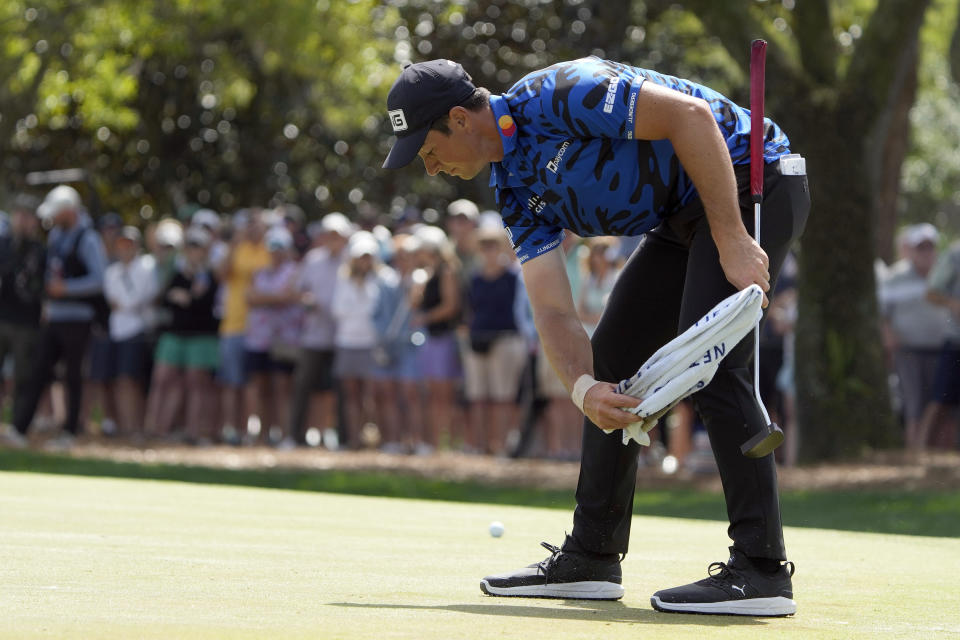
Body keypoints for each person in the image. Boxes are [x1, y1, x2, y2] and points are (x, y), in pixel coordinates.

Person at [383, 57, 810, 615]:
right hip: (682, 219)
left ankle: (761, 571)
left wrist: (731, 237)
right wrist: (585, 390)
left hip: (754, 179)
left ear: (460, 119)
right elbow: (555, 310)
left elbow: (693, 118)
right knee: (609, 363)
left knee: (711, 361)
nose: (432, 168)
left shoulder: (559, 94)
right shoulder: (512, 190)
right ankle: (592, 557)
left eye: (428, 151)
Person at [13, 185, 109, 450]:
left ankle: (70, 432)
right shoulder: (56, 235)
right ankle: (19, 428)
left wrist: (67, 289)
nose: (52, 218)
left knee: (73, 376)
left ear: (69, 211)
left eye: (57, 213)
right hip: (55, 316)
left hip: (78, 318)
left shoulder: (88, 238)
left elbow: (99, 280)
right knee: (38, 371)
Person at [144, 226, 220, 443]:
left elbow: (201, 302)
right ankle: (156, 429)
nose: (193, 251)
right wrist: (186, 296)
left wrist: (187, 298)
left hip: (200, 335)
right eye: (190, 246)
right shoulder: (176, 271)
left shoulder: (209, 275)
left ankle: (193, 432)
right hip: (174, 333)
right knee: (163, 379)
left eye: (197, 246)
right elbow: (167, 298)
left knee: (196, 382)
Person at [879, 224, 952, 450]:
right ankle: (914, 456)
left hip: (943, 351)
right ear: (912, 250)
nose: (926, 253)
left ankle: (937, 461)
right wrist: (889, 338)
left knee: (942, 407)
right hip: (908, 352)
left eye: (930, 247)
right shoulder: (896, 276)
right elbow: (883, 315)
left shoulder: (946, 274)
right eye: (921, 248)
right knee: (915, 407)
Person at [461, 215, 529, 455]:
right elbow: (469, 310)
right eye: (484, 246)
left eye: (493, 245)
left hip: (506, 340)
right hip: (478, 341)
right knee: (478, 396)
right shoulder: (475, 278)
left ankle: (502, 445)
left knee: (504, 397)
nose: (488, 251)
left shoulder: (513, 277)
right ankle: (480, 445)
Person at [288, 213, 352, 447]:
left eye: (337, 235)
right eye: (329, 234)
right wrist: (306, 299)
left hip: (343, 336)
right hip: (314, 335)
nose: (332, 239)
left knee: (343, 390)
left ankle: (344, 439)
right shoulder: (313, 260)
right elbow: (296, 290)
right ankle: (294, 437)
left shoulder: (351, 260)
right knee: (303, 386)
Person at [243, 225, 301, 447]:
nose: (276, 253)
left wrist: (266, 298)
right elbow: (250, 298)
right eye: (272, 248)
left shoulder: (294, 271)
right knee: (259, 388)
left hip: (284, 340)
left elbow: (286, 296)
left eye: (280, 248)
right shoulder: (259, 273)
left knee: (282, 389)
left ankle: (285, 436)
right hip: (257, 339)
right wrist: (275, 297)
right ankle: (260, 435)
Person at [216, 210, 269, 443]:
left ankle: (253, 432)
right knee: (231, 382)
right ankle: (230, 429)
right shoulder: (236, 249)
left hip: (262, 329)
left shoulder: (270, 250)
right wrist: (234, 242)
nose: (253, 229)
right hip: (233, 325)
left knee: (256, 383)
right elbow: (221, 274)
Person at [102, 226, 158, 437]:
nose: (125, 248)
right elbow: (113, 301)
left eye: (129, 244)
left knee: (134, 381)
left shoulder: (146, 269)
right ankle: (124, 426)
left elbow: (137, 301)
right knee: (117, 380)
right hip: (117, 331)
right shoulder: (111, 272)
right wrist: (126, 304)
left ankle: (136, 427)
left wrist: (125, 304)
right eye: (121, 244)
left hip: (137, 330)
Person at [0, 195, 45, 448]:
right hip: (2, 318)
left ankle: (17, 429)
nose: (22, 220)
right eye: (19, 214)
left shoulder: (40, 250)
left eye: (27, 215)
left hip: (26, 323)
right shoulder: (3, 244)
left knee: (22, 377)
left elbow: (40, 287)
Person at [330, 231, 382, 449]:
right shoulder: (343, 280)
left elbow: (377, 313)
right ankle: (352, 438)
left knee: (369, 395)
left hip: (370, 344)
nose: (364, 261)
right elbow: (338, 310)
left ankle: (367, 438)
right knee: (350, 395)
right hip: (347, 342)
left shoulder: (380, 281)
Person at [917, 233, 960, 450]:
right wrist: (954, 304)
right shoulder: (955, 254)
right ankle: (920, 454)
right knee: (940, 401)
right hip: (956, 342)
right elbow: (931, 292)